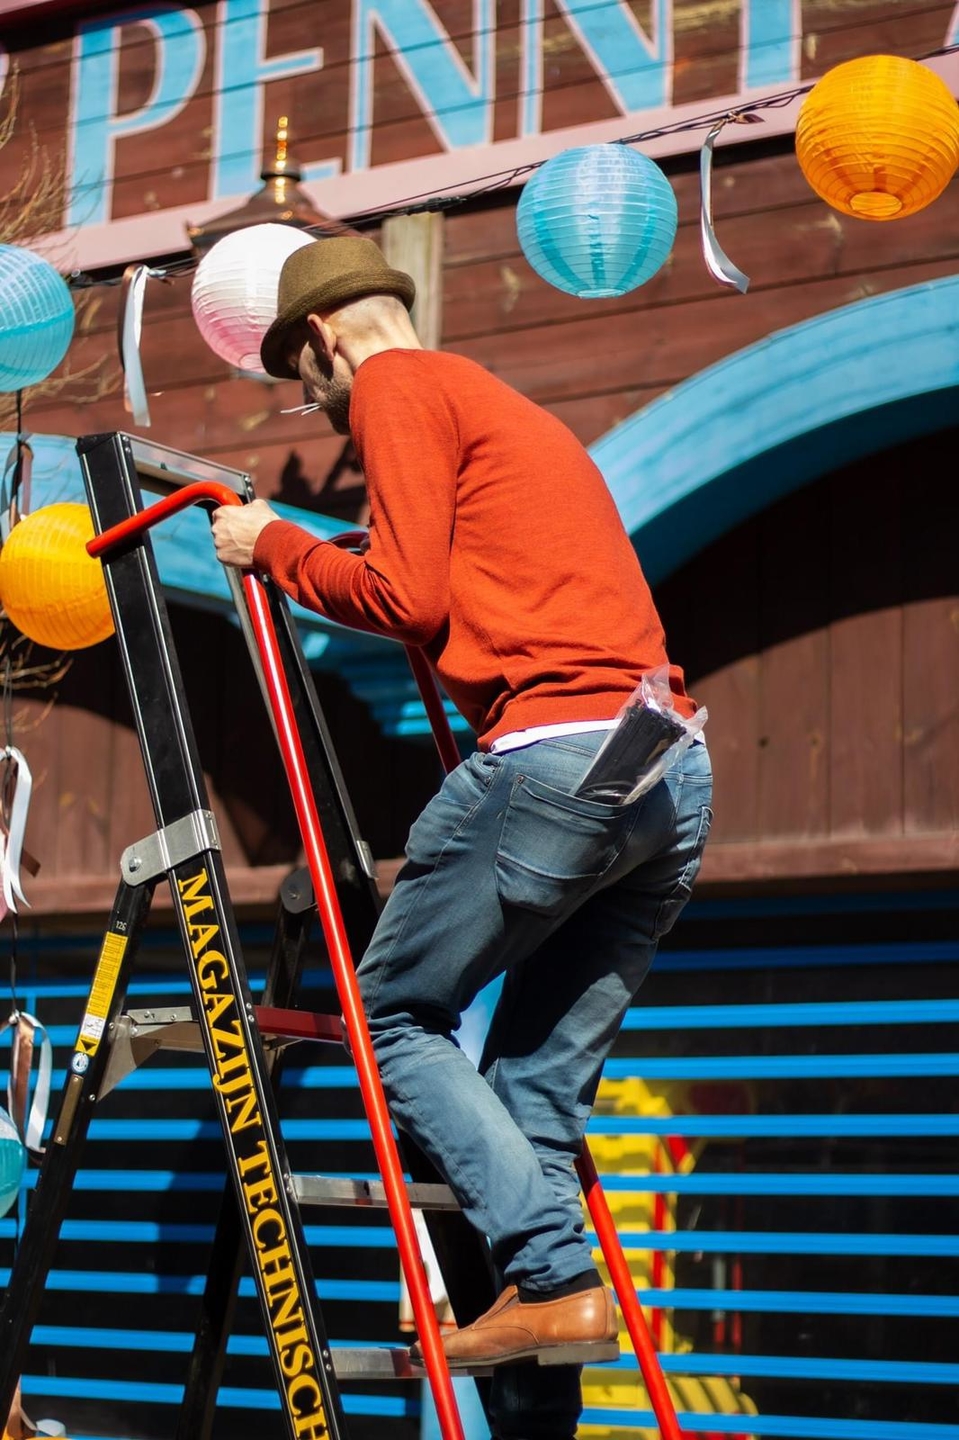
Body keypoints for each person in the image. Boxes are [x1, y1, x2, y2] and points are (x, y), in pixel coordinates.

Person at [212, 235, 713, 1440]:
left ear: (327, 340)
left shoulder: (394, 385)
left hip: (555, 753)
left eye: (305, 383)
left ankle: (549, 1272)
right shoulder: (506, 407)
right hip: (668, 768)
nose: (321, 407)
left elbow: (407, 596)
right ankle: (544, 1350)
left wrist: (270, 547)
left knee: (388, 1014)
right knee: (532, 1082)